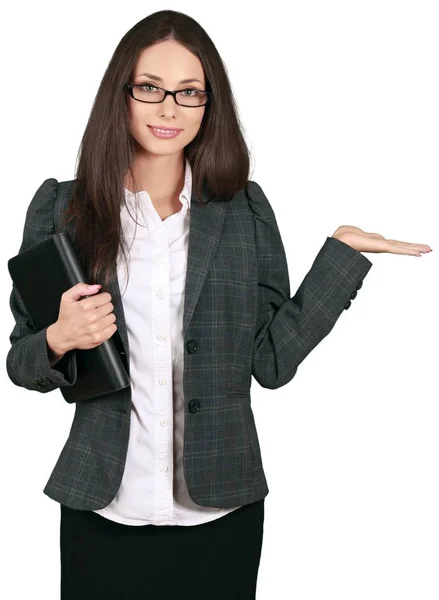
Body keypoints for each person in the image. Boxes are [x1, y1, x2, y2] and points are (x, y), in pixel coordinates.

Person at [6, 9, 431, 600]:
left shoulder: (244, 212)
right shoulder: (61, 210)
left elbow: (272, 363)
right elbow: (21, 362)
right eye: (150, 88)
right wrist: (58, 338)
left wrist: (341, 257)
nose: (169, 108)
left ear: (210, 106)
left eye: (190, 93)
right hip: (101, 509)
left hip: (222, 515)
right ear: (121, 94)